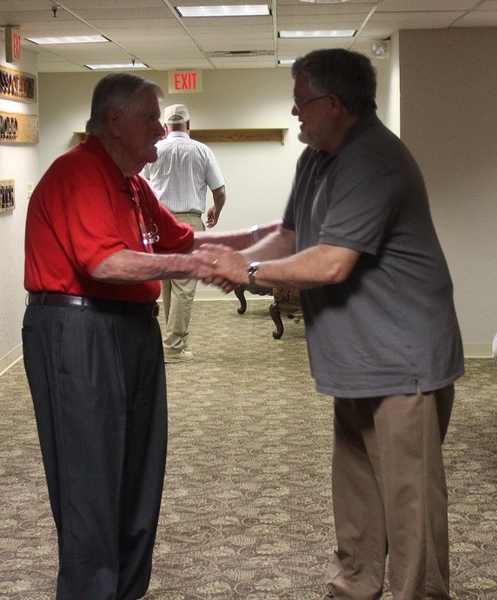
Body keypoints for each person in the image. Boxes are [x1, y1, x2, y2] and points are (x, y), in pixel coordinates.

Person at [198, 48, 465, 600]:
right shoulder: (317, 156)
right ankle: (354, 588)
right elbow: (295, 238)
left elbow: (331, 261)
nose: (295, 113)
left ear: (335, 104)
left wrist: (247, 271)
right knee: (359, 494)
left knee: (410, 504)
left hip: (402, 360)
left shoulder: (374, 159)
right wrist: (240, 262)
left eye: (301, 102)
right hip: (356, 359)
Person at [22, 72, 276, 600]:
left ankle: (126, 589)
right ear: (115, 122)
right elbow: (107, 263)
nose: (162, 131)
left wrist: (262, 236)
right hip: (80, 332)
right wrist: (201, 268)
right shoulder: (78, 173)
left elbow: (186, 238)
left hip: (129, 330)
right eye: (151, 120)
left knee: (139, 475)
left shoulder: (132, 184)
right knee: (91, 480)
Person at [143, 103, 227, 363]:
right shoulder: (202, 151)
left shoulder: (153, 150)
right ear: (188, 126)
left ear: (166, 127)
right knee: (184, 288)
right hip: (188, 224)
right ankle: (174, 348)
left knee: (168, 284)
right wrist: (217, 210)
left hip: (157, 224)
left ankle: (173, 342)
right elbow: (220, 191)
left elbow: (141, 187)